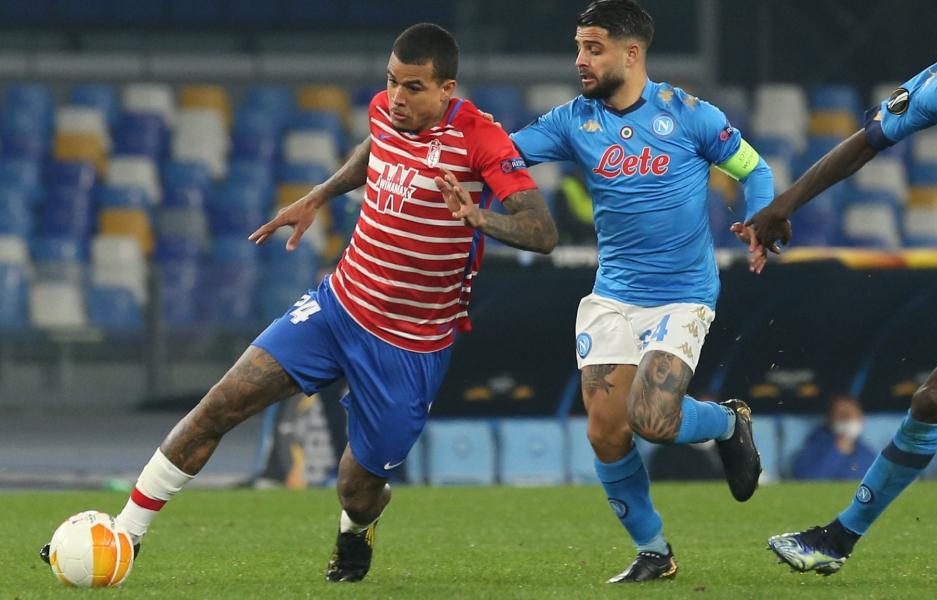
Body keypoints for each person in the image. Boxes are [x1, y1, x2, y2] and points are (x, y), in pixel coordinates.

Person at [40, 23, 558, 583]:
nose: (396, 97)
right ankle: (127, 533)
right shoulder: (386, 110)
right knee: (220, 405)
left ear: (447, 89)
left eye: (412, 87)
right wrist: (320, 193)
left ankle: (356, 529)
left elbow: (542, 230)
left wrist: (480, 217)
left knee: (358, 490)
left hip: (409, 346)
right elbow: (373, 149)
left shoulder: (483, 140)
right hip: (338, 307)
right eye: (391, 82)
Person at [506, 0, 774, 583]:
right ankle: (654, 551)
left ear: (631, 53)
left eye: (592, 47)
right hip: (613, 296)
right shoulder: (572, 120)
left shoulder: (689, 114)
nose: (580, 59)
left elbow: (756, 169)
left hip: (683, 294)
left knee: (652, 418)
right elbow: (500, 156)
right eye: (578, 47)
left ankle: (728, 423)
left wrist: (759, 218)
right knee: (606, 430)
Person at [755, 5, 937, 577]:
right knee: (933, 401)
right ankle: (839, 539)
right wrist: (783, 204)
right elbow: (865, 142)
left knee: (934, 399)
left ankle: (839, 538)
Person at [791, 396, 876, 481]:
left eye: (852, 413)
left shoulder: (867, 452)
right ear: (828, 419)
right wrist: (837, 450)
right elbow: (805, 479)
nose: (847, 418)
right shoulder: (814, 445)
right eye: (841, 413)